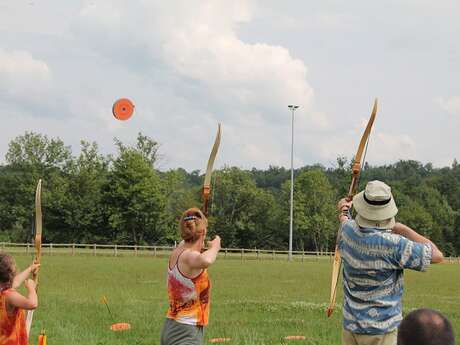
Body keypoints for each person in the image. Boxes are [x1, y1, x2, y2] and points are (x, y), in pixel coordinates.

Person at [337, 180, 444, 345]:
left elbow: (345, 220)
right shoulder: (395, 245)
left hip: (350, 327)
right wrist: (402, 229)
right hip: (382, 331)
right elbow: (437, 255)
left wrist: (344, 210)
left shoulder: (347, 232)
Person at [160, 207, 221, 345]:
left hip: (171, 326)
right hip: (186, 331)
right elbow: (207, 260)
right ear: (203, 232)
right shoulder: (190, 257)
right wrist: (215, 246)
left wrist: (201, 230)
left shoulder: (179, 251)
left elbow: (192, 243)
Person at [0, 252, 40, 345]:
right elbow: (32, 304)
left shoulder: (3, 290)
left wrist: (31, 268)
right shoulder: (9, 295)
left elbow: (16, 281)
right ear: (10, 273)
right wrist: (31, 288)